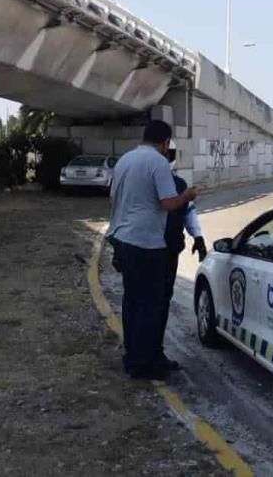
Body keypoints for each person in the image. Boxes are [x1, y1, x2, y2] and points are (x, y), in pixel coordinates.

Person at [107, 121, 197, 380]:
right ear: (165, 142)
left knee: (133, 302)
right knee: (151, 304)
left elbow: (113, 197)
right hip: (147, 243)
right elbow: (169, 203)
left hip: (124, 239)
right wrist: (188, 196)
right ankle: (144, 364)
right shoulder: (158, 162)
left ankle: (134, 356)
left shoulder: (125, 160)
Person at [158, 141, 206, 371]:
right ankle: (147, 353)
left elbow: (188, 213)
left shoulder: (178, 184)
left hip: (165, 251)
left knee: (158, 300)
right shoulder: (174, 183)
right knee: (153, 301)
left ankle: (150, 351)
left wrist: (198, 236)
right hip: (157, 251)